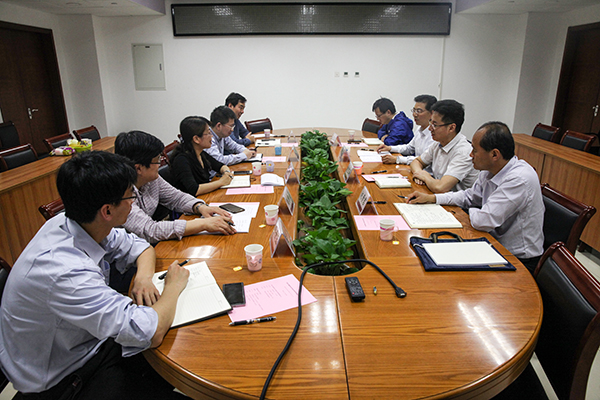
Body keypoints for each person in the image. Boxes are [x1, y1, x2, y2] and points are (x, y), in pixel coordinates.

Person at [0, 151, 190, 398]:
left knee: (179, 342)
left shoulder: (79, 222)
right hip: (64, 378)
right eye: (130, 196)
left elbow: (139, 246)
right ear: (107, 210)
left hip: (89, 343)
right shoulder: (63, 272)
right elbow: (149, 332)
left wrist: (143, 278)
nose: (133, 203)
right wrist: (173, 286)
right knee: (172, 346)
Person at [407, 122, 544, 273]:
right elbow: (469, 196)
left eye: (475, 150)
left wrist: (461, 213)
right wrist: (433, 198)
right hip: (492, 244)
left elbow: (483, 221)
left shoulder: (519, 179)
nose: (470, 155)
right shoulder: (489, 170)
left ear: (494, 155)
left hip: (517, 260)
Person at [115, 130, 235, 245]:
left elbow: (177, 197)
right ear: (138, 168)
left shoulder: (151, 179)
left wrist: (200, 207)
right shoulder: (121, 193)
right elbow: (149, 230)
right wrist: (203, 224)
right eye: (157, 160)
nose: (160, 164)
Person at [410, 99, 479, 192]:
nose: (430, 128)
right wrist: (419, 173)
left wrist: (425, 176)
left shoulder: (464, 152)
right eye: (430, 122)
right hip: (439, 196)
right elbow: (417, 161)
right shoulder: (438, 143)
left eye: (435, 125)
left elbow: (441, 187)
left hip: (456, 201)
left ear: (451, 128)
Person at [170, 116, 234, 196]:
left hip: (204, 197)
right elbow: (194, 190)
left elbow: (220, 165)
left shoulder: (201, 153)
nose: (212, 136)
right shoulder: (181, 160)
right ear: (196, 139)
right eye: (208, 133)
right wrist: (221, 182)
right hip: (192, 201)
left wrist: (226, 173)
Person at [377, 94, 437, 165]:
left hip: (424, 170)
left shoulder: (435, 134)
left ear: (431, 113)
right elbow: (409, 148)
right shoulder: (420, 129)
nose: (414, 114)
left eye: (419, 111)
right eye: (414, 110)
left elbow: (424, 159)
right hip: (415, 167)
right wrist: (390, 148)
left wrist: (397, 159)